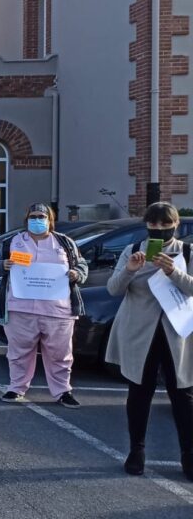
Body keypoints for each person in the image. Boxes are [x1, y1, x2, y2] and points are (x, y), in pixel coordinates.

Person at [106, 202, 193, 479]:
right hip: (139, 331)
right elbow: (113, 289)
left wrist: (173, 272)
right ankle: (136, 451)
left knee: (182, 395)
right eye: (153, 224)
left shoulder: (187, 251)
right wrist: (130, 269)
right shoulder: (132, 250)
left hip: (177, 333)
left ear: (175, 224)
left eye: (164, 224)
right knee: (139, 392)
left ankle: (189, 455)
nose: (158, 229)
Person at [0, 203, 87, 408]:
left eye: (41, 216)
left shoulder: (65, 243)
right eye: (33, 216)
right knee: (18, 352)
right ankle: (16, 388)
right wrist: (2, 265)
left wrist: (76, 274)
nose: (37, 220)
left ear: (49, 220)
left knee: (60, 354)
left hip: (58, 310)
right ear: (26, 219)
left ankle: (62, 391)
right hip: (20, 308)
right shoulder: (12, 242)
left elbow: (82, 265)